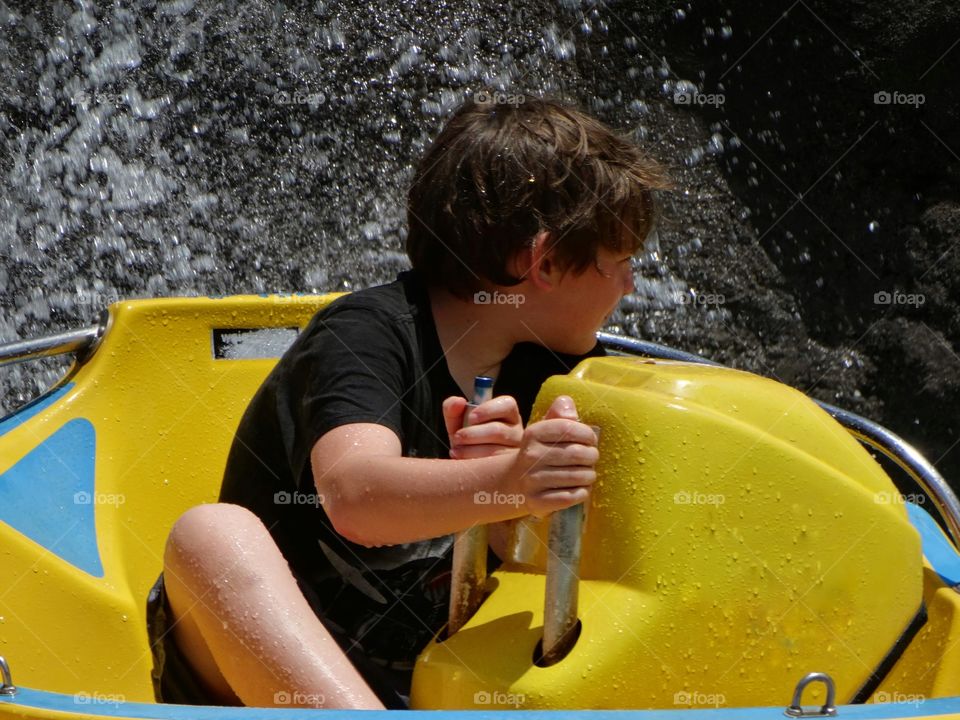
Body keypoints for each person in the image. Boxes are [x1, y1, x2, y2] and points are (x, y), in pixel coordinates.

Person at [146, 94, 670, 709]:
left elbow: (557, 568)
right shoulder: (366, 335)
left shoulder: (564, 376)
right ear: (545, 262)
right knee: (210, 533)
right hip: (252, 680)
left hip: (429, 686)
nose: (632, 283)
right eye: (621, 261)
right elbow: (356, 498)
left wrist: (506, 509)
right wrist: (505, 477)